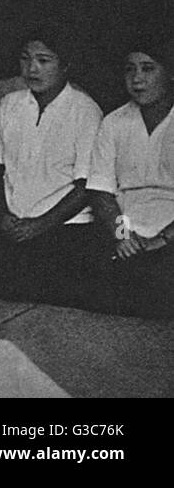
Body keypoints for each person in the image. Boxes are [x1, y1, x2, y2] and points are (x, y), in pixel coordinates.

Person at [0, 29, 105, 307]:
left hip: (62, 229)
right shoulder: (9, 104)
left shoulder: (85, 111)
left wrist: (39, 225)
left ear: (65, 65)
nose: (32, 69)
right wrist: (4, 215)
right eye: (26, 59)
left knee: (44, 299)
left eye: (44, 61)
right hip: (10, 226)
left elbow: (86, 186)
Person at [85, 39, 174, 317]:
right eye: (129, 70)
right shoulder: (114, 122)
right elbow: (101, 190)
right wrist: (122, 235)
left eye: (148, 69)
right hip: (126, 232)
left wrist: (162, 239)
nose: (137, 79)